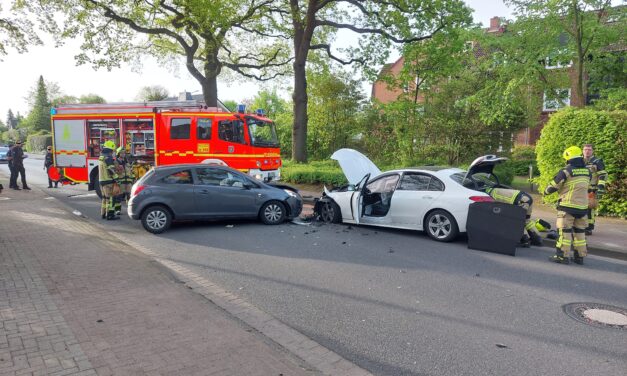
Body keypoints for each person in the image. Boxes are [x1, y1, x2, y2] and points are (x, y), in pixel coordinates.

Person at [544, 146, 591, 265]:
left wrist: (545, 192)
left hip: (567, 207)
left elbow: (553, 186)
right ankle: (579, 257)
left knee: (564, 232)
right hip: (583, 208)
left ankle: (562, 257)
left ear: (568, 158)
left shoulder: (566, 171)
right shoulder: (587, 171)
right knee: (580, 232)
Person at [582, 144, 607, 235]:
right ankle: (579, 226)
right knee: (579, 208)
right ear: (582, 151)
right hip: (580, 190)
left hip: (591, 190)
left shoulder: (597, 161)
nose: (587, 151)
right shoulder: (580, 161)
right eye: (585, 149)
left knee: (589, 209)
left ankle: (589, 228)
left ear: (592, 151)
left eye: (589, 150)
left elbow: (603, 175)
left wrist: (600, 188)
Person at [98, 141, 119, 220]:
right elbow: (111, 170)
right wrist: (116, 178)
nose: (112, 153)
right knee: (110, 199)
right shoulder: (108, 158)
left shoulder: (101, 157)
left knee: (104, 198)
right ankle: (109, 215)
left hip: (101, 181)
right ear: (110, 150)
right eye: (112, 151)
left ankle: (103, 214)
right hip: (108, 181)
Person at [113, 146, 134, 215]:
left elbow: (130, 172)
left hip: (128, 182)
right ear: (118, 154)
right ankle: (117, 210)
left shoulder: (126, 162)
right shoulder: (116, 162)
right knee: (119, 196)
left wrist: (132, 179)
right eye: (121, 153)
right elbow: (115, 172)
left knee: (129, 196)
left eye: (124, 153)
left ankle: (130, 209)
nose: (123, 154)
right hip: (121, 182)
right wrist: (119, 168)